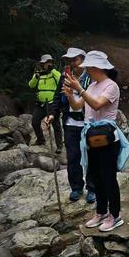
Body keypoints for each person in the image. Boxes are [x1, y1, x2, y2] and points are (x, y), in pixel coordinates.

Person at [63, 50, 125, 232]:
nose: (87, 71)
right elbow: (77, 107)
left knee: (108, 177)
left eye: (89, 67)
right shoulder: (91, 86)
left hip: (107, 138)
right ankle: (101, 211)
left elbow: (97, 104)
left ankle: (115, 214)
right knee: (95, 176)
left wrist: (79, 89)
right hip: (91, 136)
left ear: (97, 67)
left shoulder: (111, 86)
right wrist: (69, 94)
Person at [46, 47, 95, 204]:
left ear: (83, 59)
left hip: (88, 123)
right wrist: (53, 114)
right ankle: (76, 187)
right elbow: (57, 97)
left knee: (91, 157)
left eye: (75, 60)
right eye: (70, 60)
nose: (72, 63)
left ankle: (92, 188)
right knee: (73, 157)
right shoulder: (65, 76)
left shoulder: (92, 77)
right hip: (70, 123)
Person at [29, 54, 62, 151]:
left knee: (56, 124)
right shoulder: (39, 73)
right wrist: (36, 76)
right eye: (44, 63)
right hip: (40, 103)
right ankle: (40, 139)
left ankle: (59, 146)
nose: (46, 64)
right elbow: (31, 85)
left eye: (48, 62)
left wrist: (52, 70)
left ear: (51, 63)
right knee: (35, 122)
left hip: (52, 104)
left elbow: (61, 79)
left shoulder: (54, 73)